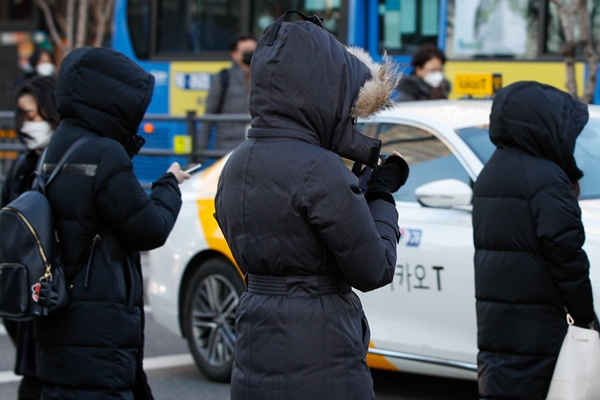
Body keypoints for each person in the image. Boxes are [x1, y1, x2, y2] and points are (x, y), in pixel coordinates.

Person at [215, 14, 408, 400]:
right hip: (323, 357)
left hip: (254, 351)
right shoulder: (318, 168)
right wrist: (381, 194)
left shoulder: (236, 164)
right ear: (323, 90)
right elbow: (374, 268)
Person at [32, 47, 189, 399]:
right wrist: (169, 184)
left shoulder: (57, 147)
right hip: (100, 329)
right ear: (113, 101)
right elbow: (149, 228)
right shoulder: (105, 154)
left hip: (57, 316)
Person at [472, 81, 595, 399]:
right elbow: (567, 256)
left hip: (498, 325)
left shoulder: (492, 172)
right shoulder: (546, 177)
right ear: (544, 123)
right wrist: (585, 317)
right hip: (539, 328)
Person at [1, 75, 59, 400]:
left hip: (51, 298)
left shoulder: (62, 163)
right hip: (25, 298)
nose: (27, 125)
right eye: (23, 116)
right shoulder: (23, 165)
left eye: (34, 116)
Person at [197, 33, 256, 152]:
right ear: (234, 54)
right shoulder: (224, 77)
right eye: (246, 51)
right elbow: (209, 113)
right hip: (229, 146)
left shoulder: (267, 76)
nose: (251, 54)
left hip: (257, 145)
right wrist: (200, 149)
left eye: (254, 50)